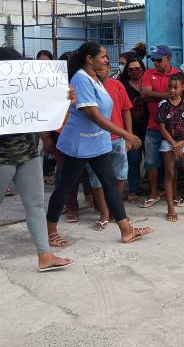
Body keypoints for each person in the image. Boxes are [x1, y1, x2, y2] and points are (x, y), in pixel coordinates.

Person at [46, 42, 153, 246]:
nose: (106, 60)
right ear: (89, 59)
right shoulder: (81, 79)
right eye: (103, 56)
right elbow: (94, 116)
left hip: (97, 142)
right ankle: (50, 232)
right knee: (65, 187)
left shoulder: (95, 79)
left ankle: (126, 229)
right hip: (78, 145)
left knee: (110, 184)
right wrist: (126, 135)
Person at [0, 47, 74, 272]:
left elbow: (52, 120)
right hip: (2, 159)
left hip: (29, 153)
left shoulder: (26, 90)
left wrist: (66, 102)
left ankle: (44, 255)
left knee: (35, 204)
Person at [140, 45, 184, 208]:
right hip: (153, 126)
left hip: (176, 131)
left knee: (174, 165)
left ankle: (175, 194)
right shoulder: (149, 74)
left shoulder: (179, 74)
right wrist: (173, 94)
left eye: (158, 59)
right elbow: (145, 95)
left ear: (168, 59)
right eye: (153, 59)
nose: (155, 62)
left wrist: (158, 96)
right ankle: (153, 193)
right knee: (151, 162)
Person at [86, 59, 133, 231]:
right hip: (96, 140)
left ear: (109, 68)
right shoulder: (88, 86)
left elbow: (126, 110)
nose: (100, 70)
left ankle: (115, 207)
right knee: (97, 178)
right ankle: (104, 212)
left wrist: (128, 136)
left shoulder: (117, 86)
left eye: (104, 67)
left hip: (117, 138)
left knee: (120, 174)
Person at [157, 73, 184, 221]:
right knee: (170, 175)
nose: (172, 90)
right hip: (168, 144)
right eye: (170, 87)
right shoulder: (163, 105)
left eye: (176, 87)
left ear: (183, 87)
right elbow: (162, 127)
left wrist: (182, 143)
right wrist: (174, 144)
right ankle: (170, 208)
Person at [117, 56, 148, 203]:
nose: (135, 72)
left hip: (150, 128)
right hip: (130, 129)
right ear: (127, 71)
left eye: (138, 69)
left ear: (143, 70)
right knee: (133, 160)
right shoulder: (122, 85)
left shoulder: (147, 85)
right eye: (131, 69)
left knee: (152, 161)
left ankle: (154, 188)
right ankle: (133, 190)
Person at [36, 49, 56, 187]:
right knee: (32, 146)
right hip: (31, 117)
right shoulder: (28, 77)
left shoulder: (55, 78)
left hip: (49, 116)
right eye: (41, 61)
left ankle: (46, 173)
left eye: (47, 62)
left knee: (49, 146)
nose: (44, 65)